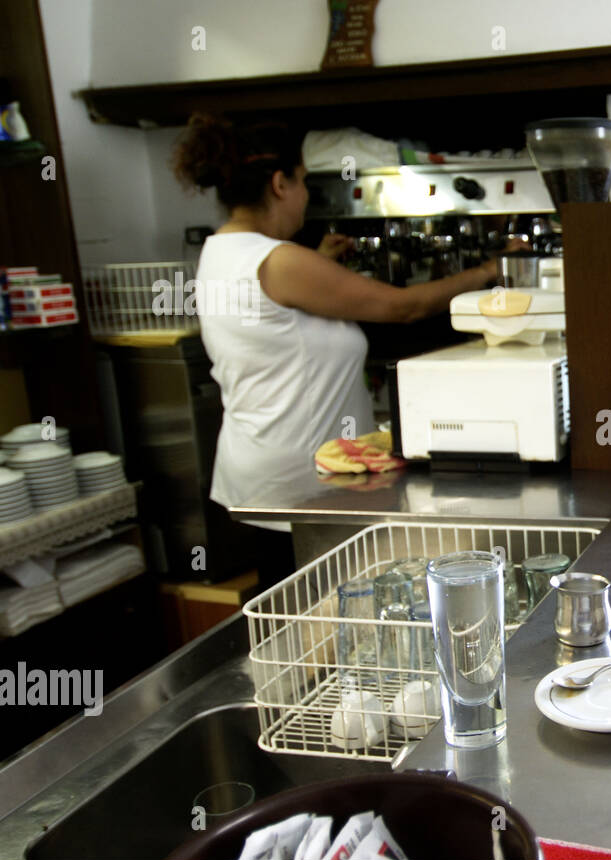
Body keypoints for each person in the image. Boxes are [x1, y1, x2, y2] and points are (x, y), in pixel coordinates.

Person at [171, 115, 511, 583]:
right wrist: (489, 270)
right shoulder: (280, 261)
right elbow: (404, 307)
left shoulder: (221, 251)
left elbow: (278, 320)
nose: (307, 196)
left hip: (259, 466)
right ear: (279, 183)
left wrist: (322, 265)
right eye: (304, 182)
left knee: (290, 610)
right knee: (321, 616)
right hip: (301, 480)